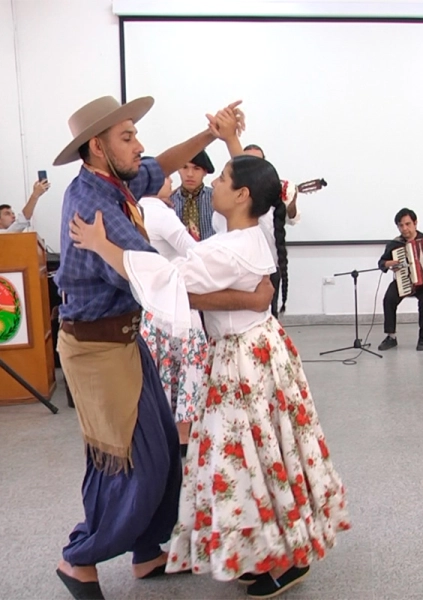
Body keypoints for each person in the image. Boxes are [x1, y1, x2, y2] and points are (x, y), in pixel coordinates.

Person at [69, 154, 350, 599]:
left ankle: (286, 558)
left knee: (249, 457)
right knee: (266, 453)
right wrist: (250, 298)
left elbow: (170, 281)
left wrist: (103, 246)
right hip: (260, 350)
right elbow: (209, 276)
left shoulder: (229, 245)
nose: (211, 182)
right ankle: (274, 549)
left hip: (243, 361)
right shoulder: (249, 232)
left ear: (242, 195)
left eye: (222, 177)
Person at [51, 95, 274, 600]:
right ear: (97, 146)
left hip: (127, 340)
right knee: (134, 463)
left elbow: (161, 165)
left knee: (168, 456)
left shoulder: (113, 179)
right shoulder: (94, 201)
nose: (140, 146)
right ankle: (77, 560)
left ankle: (149, 552)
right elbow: (158, 278)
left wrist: (212, 136)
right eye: (127, 137)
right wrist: (251, 297)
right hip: (98, 347)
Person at [137, 176, 208, 453]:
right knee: (182, 371)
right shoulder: (159, 212)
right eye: (167, 177)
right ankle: (181, 436)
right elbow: (195, 252)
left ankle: (157, 434)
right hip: (174, 304)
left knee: (159, 371)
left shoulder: (133, 209)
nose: (173, 181)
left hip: (148, 305)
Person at [212, 137, 302, 316]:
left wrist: (291, 200)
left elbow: (292, 218)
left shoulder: (269, 203)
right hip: (235, 268)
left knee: (268, 316)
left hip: (267, 267)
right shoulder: (224, 209)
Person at [377, 208, 423, 351]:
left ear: (415, 223)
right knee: (389, 298)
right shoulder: (395, 244)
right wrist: (389, 263)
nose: (404, 228)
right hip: (403, 281)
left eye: (408, 224)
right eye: (401, 225)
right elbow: (381, 263)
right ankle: (391, 337)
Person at [170, 150, 216, 241]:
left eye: (196, 168)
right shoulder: (169, 201)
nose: (189, 174)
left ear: (205, 171)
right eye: (185, 167)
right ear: (178, 170)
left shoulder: (216, 198)